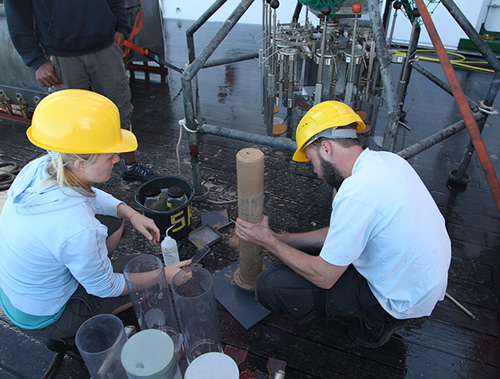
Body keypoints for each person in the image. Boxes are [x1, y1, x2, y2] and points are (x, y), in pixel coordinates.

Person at [235, 101, 451, 348]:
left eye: (311, 160)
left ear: (326, 148)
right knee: (299, 253)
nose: (314, 170)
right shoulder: (386, 162)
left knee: (269, 286)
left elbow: (325, 277)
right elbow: (336, 234)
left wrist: (269, 242)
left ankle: (378, 321)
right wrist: (280, 239)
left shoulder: (358, 192)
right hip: (418, 279)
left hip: (400, 297)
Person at [0, 90, 190, 349]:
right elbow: (106, 288)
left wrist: (130, 212)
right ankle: (70, 332)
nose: (116, 158)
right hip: (46, 316)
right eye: (109, 154)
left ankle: (87, 269)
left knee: (115, 221)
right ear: (79, 163)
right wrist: (163, 275)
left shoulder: (44, 166)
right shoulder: (77, 226)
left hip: (19, 296)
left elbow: (88, 193)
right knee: (144, 278)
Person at [3, 0, 157, 182]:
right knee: (70, 122)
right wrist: (36, 60)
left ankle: (131, 167)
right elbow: (17, 17)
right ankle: (77, 180)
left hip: (106, 46)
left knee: (120, 111)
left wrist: (121, 28)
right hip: (61, 55)